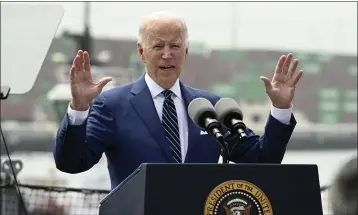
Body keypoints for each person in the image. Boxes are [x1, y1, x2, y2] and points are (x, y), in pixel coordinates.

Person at [53, 11, 304, 190]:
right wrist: (78, 108)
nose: (166, 55)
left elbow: (263, 158)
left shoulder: (210, 106)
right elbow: (71, 163)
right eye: (157, 46)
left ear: (185, 51)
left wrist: (280, 108)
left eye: (175, 46)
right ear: (141, 52)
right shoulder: (112, 105)